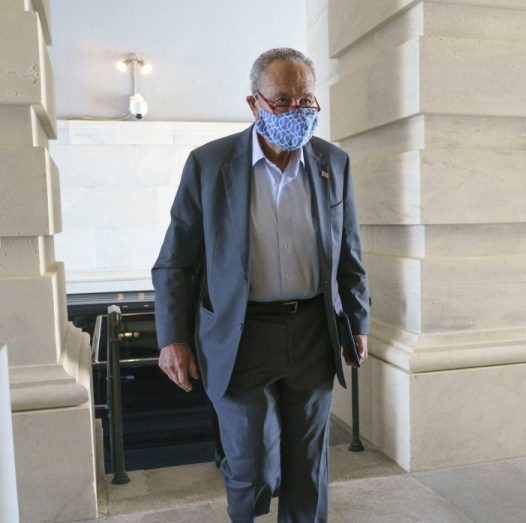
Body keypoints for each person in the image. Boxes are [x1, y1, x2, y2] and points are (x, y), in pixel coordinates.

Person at [152, 47, 370, 523]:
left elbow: (348, 253)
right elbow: (175, 262)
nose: (297, 111)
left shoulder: (334, 163)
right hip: (239, 336)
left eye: (306, 100)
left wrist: (358, 320)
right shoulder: (210, 165)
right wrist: (172, 338)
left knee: (308, 468)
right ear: (254, 104)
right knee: (254, 467)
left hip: (314, 330)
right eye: (283, 100)